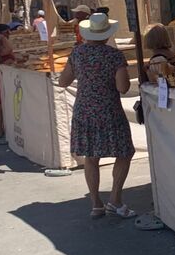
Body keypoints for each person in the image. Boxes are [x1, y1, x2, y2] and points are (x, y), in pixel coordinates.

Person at [58, 12, 136, 219]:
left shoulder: (77, 54)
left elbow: (62, 82)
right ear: (107, 34)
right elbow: (123, 87)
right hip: (109, 110)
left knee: (91, 158)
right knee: (124, 152)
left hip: (84, 111)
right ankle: (115, 199)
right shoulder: (114, 56)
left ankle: (96, 204)